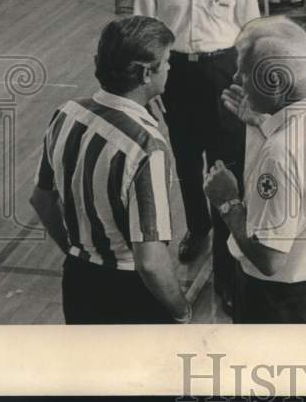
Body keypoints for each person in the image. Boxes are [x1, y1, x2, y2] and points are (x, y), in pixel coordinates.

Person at [134, 0, 261, 318]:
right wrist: (146, 88)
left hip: (224, 71)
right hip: (177, 76)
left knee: (228, 165)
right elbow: (144, 28)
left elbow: (250, 23)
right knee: (187, 161)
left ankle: (229, 262)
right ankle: (197, 226)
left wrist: (247, 79)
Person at [29, 16, 191, 324]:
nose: (170, 68)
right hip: (130, 293)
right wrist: (182, 311)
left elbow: (41, 199)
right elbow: (151, 262)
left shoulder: (67, 113)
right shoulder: (146, 145)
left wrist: (80, 254)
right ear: (146, 73)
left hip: (77, 282)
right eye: (167, 61)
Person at [209, 17, 306, 322]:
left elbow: (269, 258)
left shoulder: (281, 153)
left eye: (245, 71)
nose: (237, 77)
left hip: (282, 306)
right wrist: (263, 123)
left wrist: (227, 202)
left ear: (277, 82)